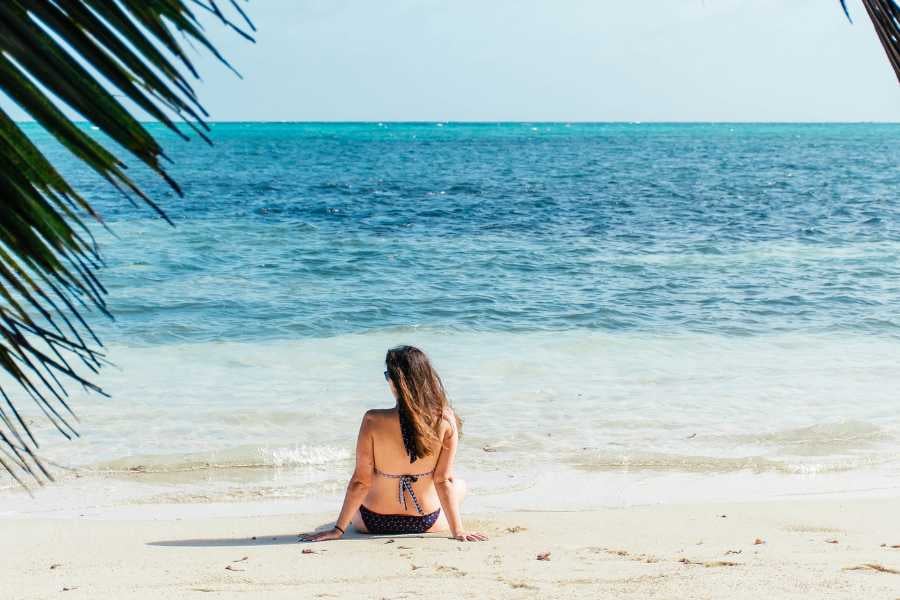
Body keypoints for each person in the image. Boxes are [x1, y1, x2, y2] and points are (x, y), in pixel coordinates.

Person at [301, 345, 486, 542]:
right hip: (426, 522)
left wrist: (338, 529)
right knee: (460, 485)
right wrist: (458, 531)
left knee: (368, 491)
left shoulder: (372, 420)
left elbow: (361, 482)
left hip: (372, 523)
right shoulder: (445, 420)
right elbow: (443, 480)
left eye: (387, 375)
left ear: (395, 381)